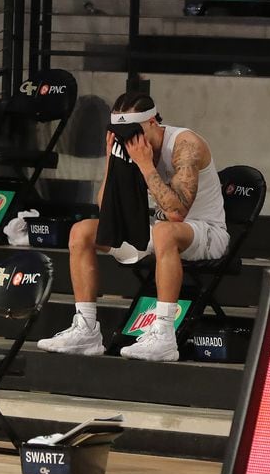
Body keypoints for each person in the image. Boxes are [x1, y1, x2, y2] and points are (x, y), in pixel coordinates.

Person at [36, 92, 229, 362]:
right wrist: (110, 162)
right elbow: (106, 210)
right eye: (121, 133)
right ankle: (86, 329)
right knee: (82, 231)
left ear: (152, 122)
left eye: (132, 132)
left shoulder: (186, 144)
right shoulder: (126, 147)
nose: (128, 140)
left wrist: (144, 164)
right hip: (158, 229)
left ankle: (164, 335)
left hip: (205, 232)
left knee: (164, 231)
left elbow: (176, 213)